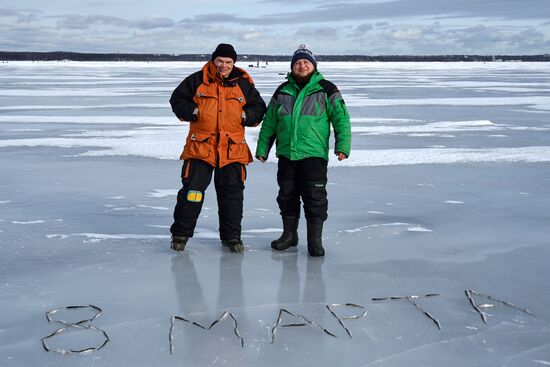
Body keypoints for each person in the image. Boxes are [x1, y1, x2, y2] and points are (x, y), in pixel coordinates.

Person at [169, 43, 266, 253]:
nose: (224, 65)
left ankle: (231, 238)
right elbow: (177, 99)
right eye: (220, 61)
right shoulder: (197, 80)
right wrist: (192, 111)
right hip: (200, 148)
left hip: (232, 150)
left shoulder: (243, 83)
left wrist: (245, 116)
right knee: (192, 193)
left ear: (234, 63)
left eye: (229, 62)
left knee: (232, 195)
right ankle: (180, 235)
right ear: (214, 60)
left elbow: (259, 107)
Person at [255, 45, 351, 257]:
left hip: (313, 155)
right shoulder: (283, 91)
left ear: (313, 66)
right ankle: (289, 235)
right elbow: (269, 122)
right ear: (292, 67)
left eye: (306, 62)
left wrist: (342, 146)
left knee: (314, 197)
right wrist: (263, 148)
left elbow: (342, 119)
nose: (302, 65)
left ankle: (314, 241)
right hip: (287, 154)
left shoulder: (326, 89)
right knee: (287, 195)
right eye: (298, 63)